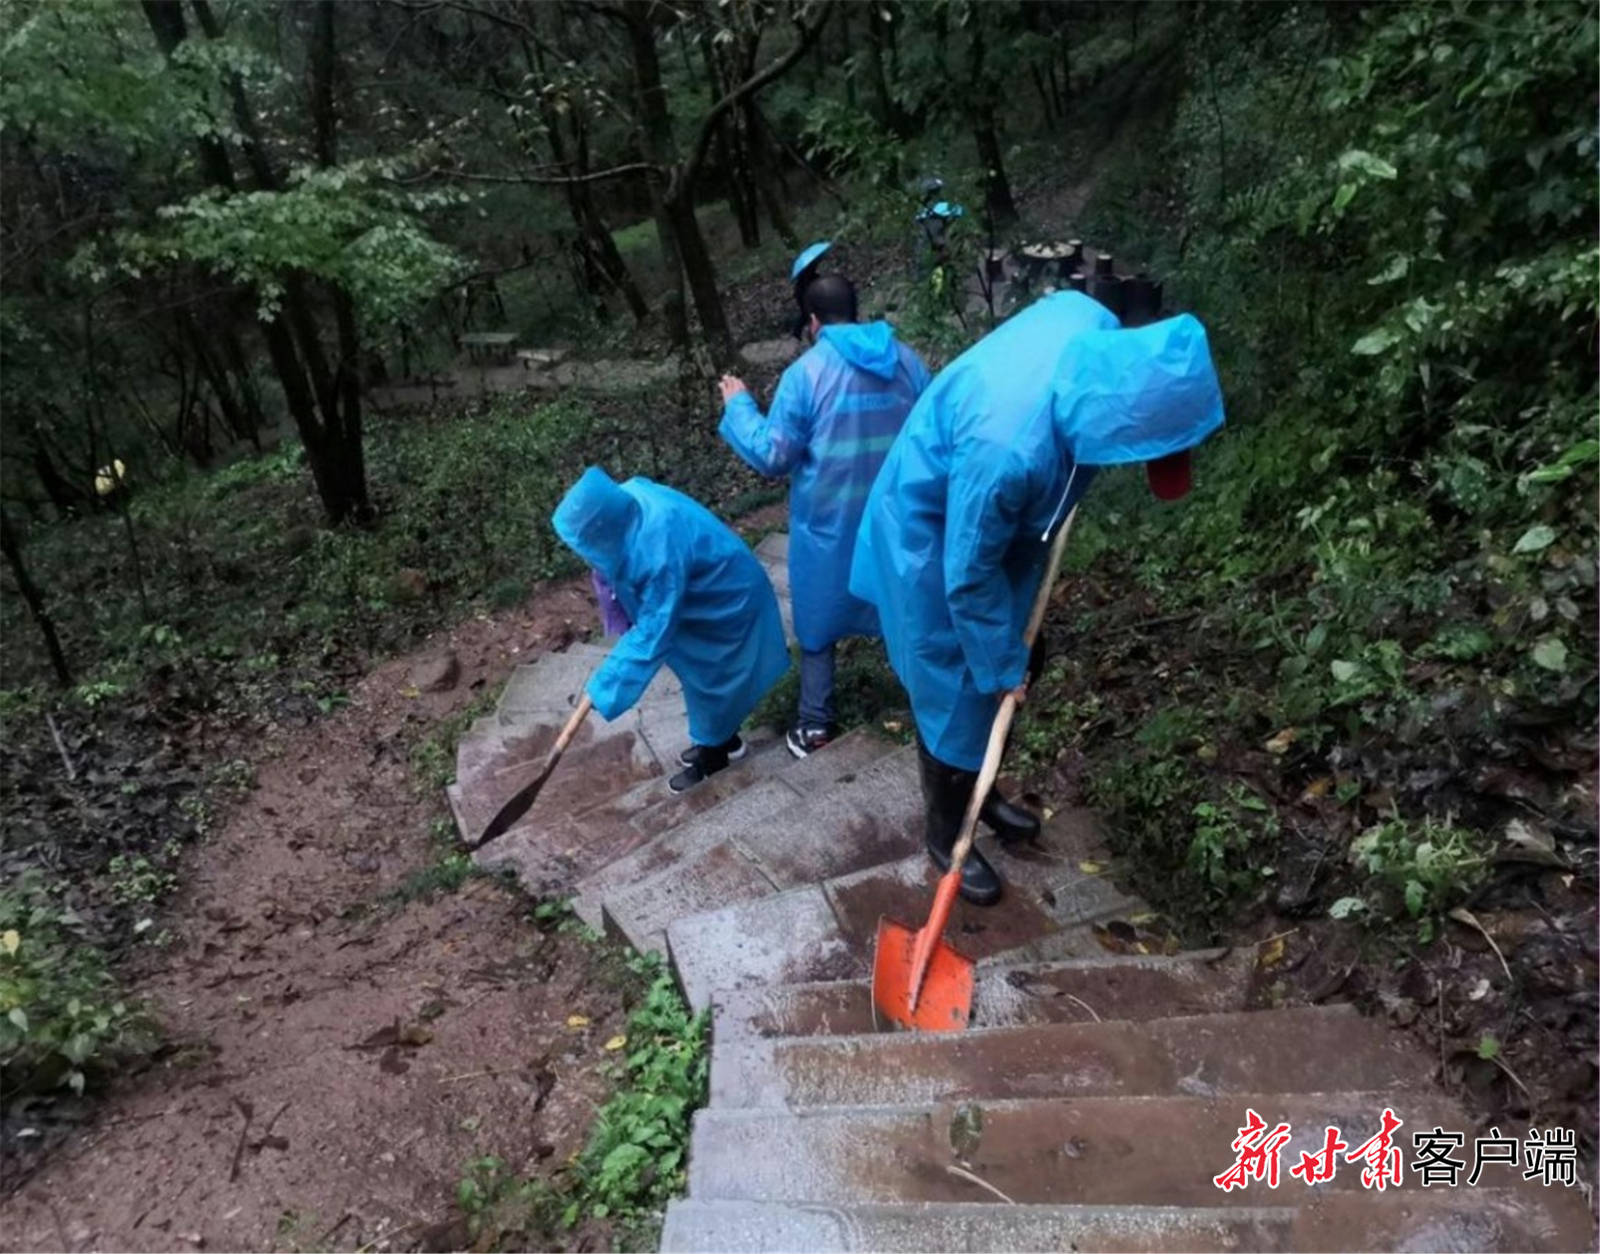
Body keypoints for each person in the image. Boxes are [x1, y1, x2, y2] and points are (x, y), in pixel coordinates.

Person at [849, 291, 1225, 904]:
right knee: (956, 688)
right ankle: (946, 837)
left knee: (1021, 657)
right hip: (932, 531)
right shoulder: (1008, 450)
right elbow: (967, 573)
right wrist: (999, 666)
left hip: (1006, 526)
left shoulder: (1098, 331)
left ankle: (984, 789)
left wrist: (1009, 658)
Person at [718, 275, 932, 758]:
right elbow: (935, 426)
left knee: (818, 617)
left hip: (829, 526)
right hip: (894, 515)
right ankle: (929, 705)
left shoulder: (806, 375)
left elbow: (774, 455)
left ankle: (816, 725)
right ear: (856, 311)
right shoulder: (907, 360)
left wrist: (739, 407)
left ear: (813, 322)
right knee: (903, 603)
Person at [552, 467, 789, 794]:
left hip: (726, 600)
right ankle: (726, 740)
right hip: (698, 591)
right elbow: (612, 571)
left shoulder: (658, 548)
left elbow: (653, 630)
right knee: (700, 674)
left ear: (603, 526)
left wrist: (605, 685)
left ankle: (713, 760)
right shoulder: (625, 502)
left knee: (713, 679)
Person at [789, 240, 831, 339]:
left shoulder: (810, 274)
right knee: (807, 314)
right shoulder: (806, 277)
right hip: (804, 296)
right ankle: (799, 333)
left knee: (806, 314)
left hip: (806, 294)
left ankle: (798, 332)